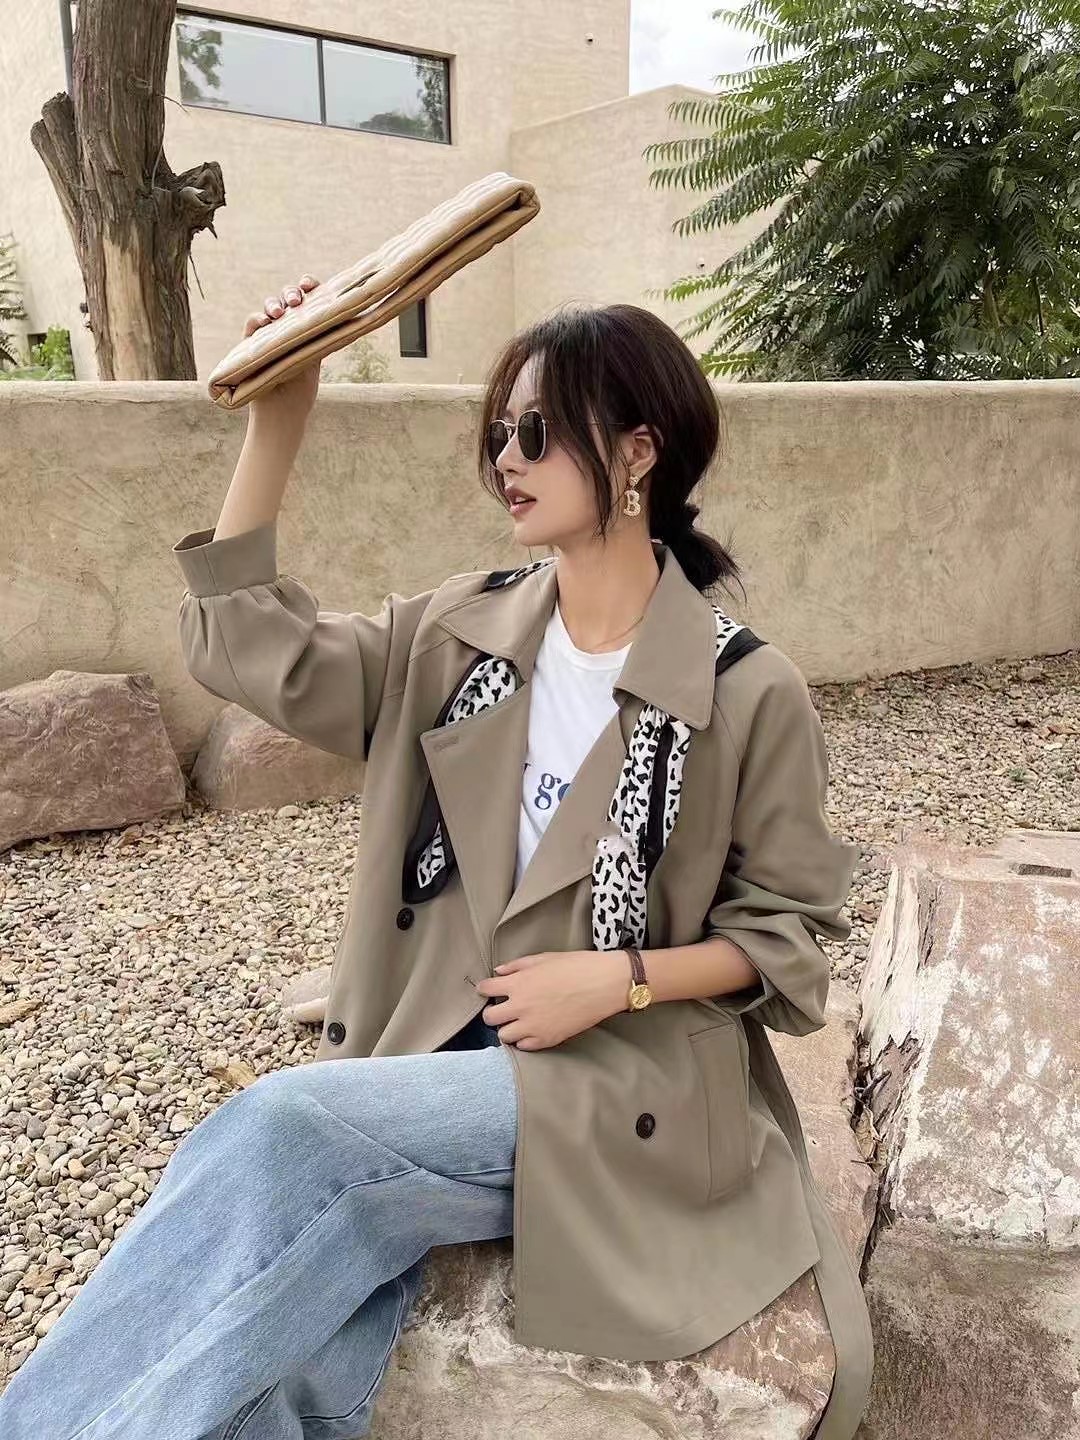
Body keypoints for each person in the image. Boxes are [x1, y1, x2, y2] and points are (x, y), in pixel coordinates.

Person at [0, 289, 874, 1440]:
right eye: (499, 432)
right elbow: (253, 651)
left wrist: (617, 979)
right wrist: (280, 416)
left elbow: (788, 939)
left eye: (537, 431)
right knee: (287, 1371)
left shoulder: (747, 689)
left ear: (638, 451)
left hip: (622, 1080)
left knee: (286, 1133)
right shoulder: (463, 632)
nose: (506, 458)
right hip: (440, 1038)